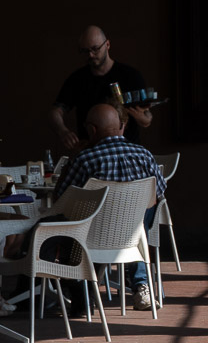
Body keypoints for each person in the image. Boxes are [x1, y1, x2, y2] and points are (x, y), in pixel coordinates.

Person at [49, 101, 163, 309]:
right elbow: (156, 195)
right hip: (133, 237)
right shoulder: (144, 154)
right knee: (143, 216)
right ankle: (142, 286)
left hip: (90, 239)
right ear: (122, 126)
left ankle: (80, 290)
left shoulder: (85, 159)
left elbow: (61, 199)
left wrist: (70, 162)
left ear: (91, 129)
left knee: (59, 226)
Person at [51, 26, 147, 152]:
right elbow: (55, 112)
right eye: (85, 51)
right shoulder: (77, 79)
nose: (90, 55)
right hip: (89, 153)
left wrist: (143, 118)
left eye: (95, 49)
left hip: (126, 151)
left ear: (107, 44)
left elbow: (147, 117)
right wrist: (63, 131)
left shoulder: (130, 75)